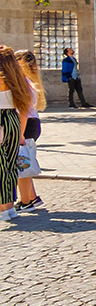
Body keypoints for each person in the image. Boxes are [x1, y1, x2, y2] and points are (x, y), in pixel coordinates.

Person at [0, 46, 37, 222]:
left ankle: (3, 209)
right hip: (13, 120)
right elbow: (23, 110)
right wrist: (20, 134)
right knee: (9, 166)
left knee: (1, 166)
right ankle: (9, 207)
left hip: (1, 118)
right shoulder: (18, 79)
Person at [13, 49, 45, 212]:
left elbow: (23, 111)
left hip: (25, 125)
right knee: (25, 162)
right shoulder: (29, 81)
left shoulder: (23, 83)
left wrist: (19, 135)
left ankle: (26, 202)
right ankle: (32, 198)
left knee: (21, 164)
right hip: (32, 124)